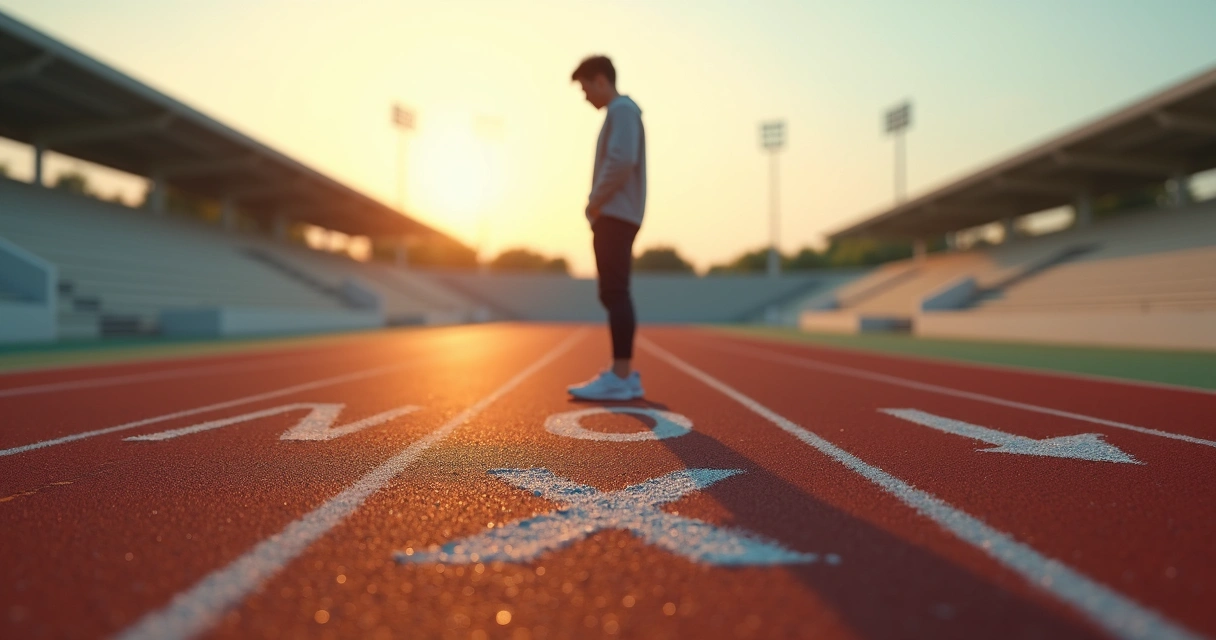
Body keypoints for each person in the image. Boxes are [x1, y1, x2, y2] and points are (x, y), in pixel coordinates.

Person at [566, 55, 647, 401]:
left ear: (600, 80)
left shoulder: (622, 111)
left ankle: (621, 375)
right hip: (616, 213)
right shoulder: (621, 113)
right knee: (612, 292)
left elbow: (621, 160)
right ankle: (622, 373)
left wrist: (594, 201)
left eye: (585, 88)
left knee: (615, 292)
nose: (584, 97)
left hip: (615, 213)